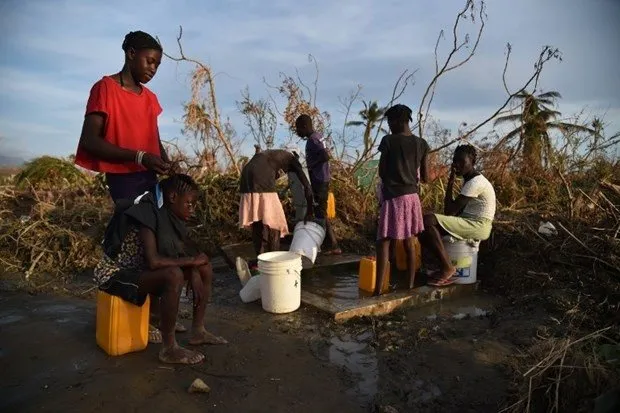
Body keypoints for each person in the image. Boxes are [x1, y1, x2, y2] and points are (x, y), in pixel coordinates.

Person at [95, 174, 227, 365]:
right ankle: (169, 348)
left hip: (139, 271)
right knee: (173, 275)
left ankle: (198, 331)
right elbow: (155, 261)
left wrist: (195, 270)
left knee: (204, 267)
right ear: (173, 197)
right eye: (189, 203)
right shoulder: (147, 210)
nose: (192, 209)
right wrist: (191, 262)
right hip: (115, 275)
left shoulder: (169, 214)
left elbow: (177, 254)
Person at [75, 30, 172, 203]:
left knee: (152, 224)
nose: (153, 69)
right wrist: (140, 157)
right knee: (141, 223)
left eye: (157, 65)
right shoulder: (105, 89)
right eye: (149, 62)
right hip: (123, 178)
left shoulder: (150, 98)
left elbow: (154, 139)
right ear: (131, 53)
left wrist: (166, 163)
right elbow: (89, 141)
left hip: (149, 176)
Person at [421, 144, 496, 287]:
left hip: (478, 225)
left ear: (473, 162)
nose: (457, 165)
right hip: (469, 221)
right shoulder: (469, 180)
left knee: (427, 220)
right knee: (424, 229)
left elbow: (450, 211)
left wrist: (450, 182)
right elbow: (451, 211)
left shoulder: (475, 182)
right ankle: (443, 266)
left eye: (462, 162)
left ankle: (447, 268)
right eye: (455, 161)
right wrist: (451, 181)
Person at [374, 104, 429, 296]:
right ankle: (411, 285)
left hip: (393, 197)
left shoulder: (388, 141)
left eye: (390, 122)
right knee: (408, 240)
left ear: (398, 121)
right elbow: (426, 177)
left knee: (384, 241)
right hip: (412, 198)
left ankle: (378, 290)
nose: (389, 126)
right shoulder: (421, 143)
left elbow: (382, 171)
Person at [239, 149, 314, 267]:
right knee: (276, 222)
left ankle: (260, 260)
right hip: (260, 176)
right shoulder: (292, 160)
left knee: (258, 220)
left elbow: (271, 174)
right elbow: (307, 187)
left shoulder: (274, 156)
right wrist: (310, 211)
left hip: (246, 175)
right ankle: (274, 261)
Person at [295, 115, 341, 255]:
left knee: (320, 214)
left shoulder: (313, 139)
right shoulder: (318, 136)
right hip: (322, 179)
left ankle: (322, 245)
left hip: (319, 180)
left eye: (298, 129)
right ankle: (332, 244)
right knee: (321, 212)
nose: (297, 132)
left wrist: (311, 166)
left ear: (304, 126)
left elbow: (325, 156)